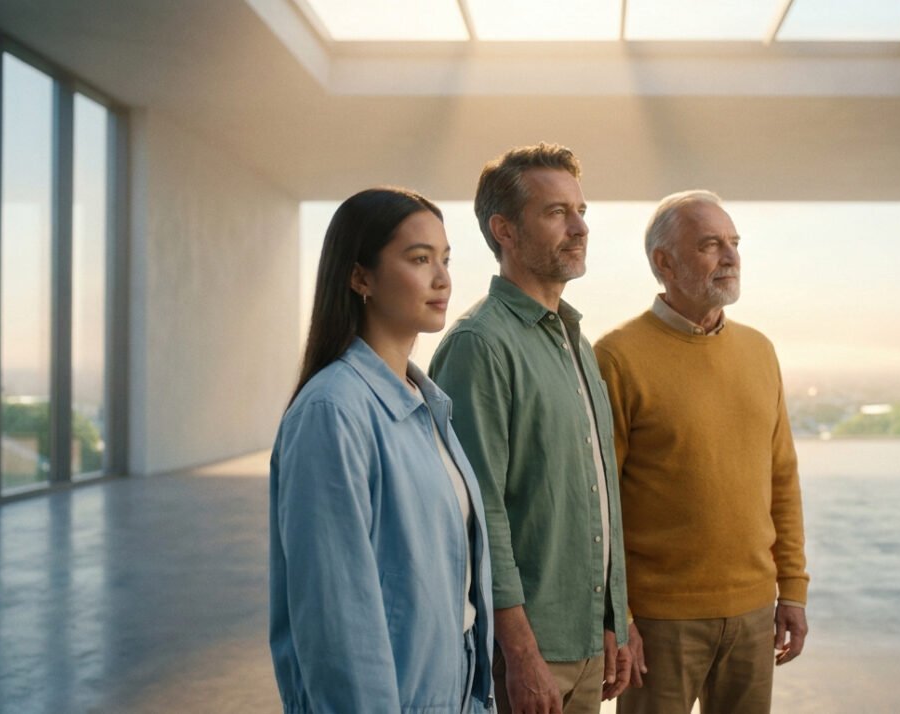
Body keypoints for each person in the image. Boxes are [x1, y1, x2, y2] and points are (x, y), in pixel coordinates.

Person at [269, 187, 494, 713]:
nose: (442, 279)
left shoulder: (427, 401)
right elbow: (336, 619)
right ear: (359, 277)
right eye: (419, 259)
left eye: (445, 259)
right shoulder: (333, 412)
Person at [429, 143, 631, 714]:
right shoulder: (480, 345)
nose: (580, 227)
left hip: (587, 641)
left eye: (581, 210)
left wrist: (616, 618)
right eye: (556, 213)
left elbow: (599, 491)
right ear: (505, 231)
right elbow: (478, 512)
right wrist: (519, 655)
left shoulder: (576, 340)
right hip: (529, 651)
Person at [593, 190, 810, 714]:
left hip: (756, 612)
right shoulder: (615, 357)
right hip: (659, 622)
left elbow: (782, 477)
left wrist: (793, 589)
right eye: (710, 245)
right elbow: (599, 504)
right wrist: (616, 617)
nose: (731, 257)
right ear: (663, 262)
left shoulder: (760, 351)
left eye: (733, 243)